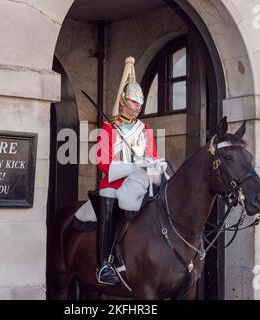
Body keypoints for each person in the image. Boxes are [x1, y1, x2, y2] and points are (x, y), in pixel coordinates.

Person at [95, 57, 158, 285]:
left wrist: (154, 165)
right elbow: (102, 162)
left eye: (140, 102)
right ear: (123, 101)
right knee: (109, 199)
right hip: (114, 184)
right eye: (133, 101)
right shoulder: (108, 129)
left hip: (140, 182)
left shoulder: (146, 130)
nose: (138, 106)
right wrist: (132, 165)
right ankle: (104, 264)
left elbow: (151, 156)